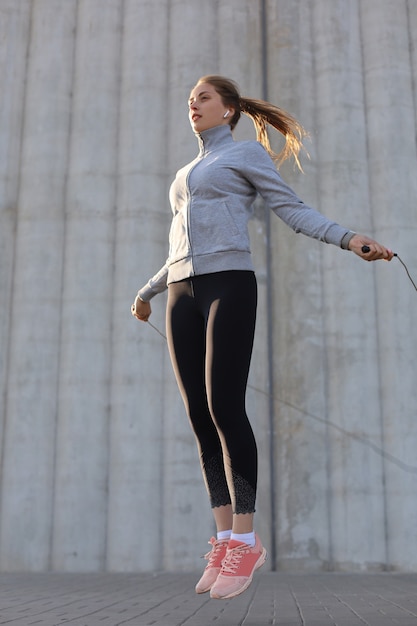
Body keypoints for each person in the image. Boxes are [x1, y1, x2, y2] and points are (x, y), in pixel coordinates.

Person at [131, 75, 393, 600]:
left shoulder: (246, 155)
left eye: (204, 98)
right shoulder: (184, 174)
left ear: (229, 110)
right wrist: (148, 290)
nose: (194, 104)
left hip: (229, 283)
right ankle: (226, 537)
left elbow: (291, 209)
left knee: (225, 407)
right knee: (200, 417)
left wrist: (349, 238)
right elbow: (177, 244)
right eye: (191, 100)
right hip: (182, 291)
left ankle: (248, 540)